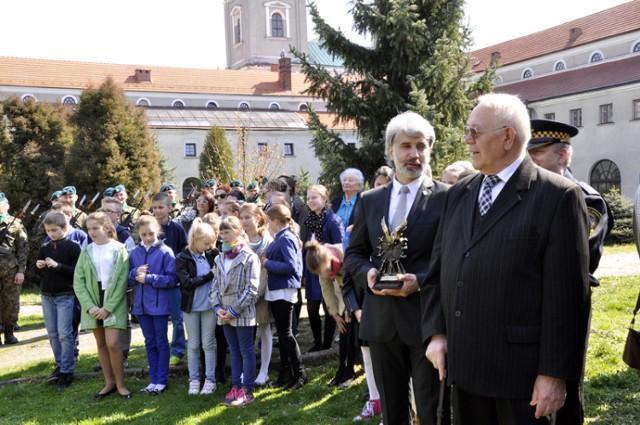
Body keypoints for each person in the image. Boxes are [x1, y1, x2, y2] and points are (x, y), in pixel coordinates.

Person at [422, 93, 591, 424]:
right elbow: (438, 270)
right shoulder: (459, 193)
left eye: (475, 131)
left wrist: (554, 375)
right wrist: (436, 333)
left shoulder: (557, 196)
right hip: (466, 369)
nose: (467, 139)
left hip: (522, 380)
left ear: (507, 136)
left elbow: (568, 300)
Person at [344, 111, 449, 425]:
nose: (414, 154)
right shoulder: (369, 200)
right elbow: (354, 255)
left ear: (429, 150)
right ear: (391, 151)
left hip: (427, 322)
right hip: (381, 323)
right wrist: (369, 274)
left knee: (433, 412)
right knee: (392, 413)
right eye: (406, 146)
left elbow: (453, 258)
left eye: (421, 146)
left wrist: (420, 280)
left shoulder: (448, 197)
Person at [527, 118, 613, 424]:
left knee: (563, 385)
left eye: (537, 152)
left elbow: (579, 262)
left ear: (563, 155)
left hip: (566, 307)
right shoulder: (528, 193)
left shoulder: (585, 198)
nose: (529, 159)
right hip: (527, 308)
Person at [73, 212, 131, 400]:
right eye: (89, 229)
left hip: (112, 300)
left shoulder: (119, 249)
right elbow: (78, 282)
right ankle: (109, 383)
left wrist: (108, 308)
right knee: (101, 343)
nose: (91, 232)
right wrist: (90, 306)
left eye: (95, 228)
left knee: (113, 343)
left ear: (106, 227)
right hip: (93, 300)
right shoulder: (86, 250)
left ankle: (121, 384)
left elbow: (122, 280)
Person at [211, 216, 260, 406]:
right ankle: (236, 387)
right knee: (234, 351)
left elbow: (252, 289)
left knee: (246, 351)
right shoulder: (219, 257)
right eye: (221, 233)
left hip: (242, 312)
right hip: (223, 313)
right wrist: (217, 308)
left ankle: (247, 390)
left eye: (227, 232)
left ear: (239, 231)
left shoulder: (250, 257)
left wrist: (233, 310)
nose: (223, 236)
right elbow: (214, 287)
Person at [128, 214, 177, 395]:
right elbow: (128, 279)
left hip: (159, 306)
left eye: (151, 233)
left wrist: (150, 278)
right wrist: (134, 273)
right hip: (141, 307)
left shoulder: (166, 252)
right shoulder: (134, 253)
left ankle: (162, 380)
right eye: (144, 235)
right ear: (138, 235)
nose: (148, 238)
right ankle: (153, 379)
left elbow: (173, 279)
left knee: (161, 342)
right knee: (149, 342)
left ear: (157, 231)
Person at [36, 211, 81, 390]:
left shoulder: (73, 246)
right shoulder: (44, 247)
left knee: (64, 334)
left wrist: (58, 266)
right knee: (53, 334)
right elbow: (35, 272)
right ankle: (60, 366)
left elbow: (78, 272)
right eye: (47, 230)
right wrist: (38, 266)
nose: (50, 234)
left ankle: (67, 371)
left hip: (66, 295)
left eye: (54, 230)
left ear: (64, 228)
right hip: (47, 295)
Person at [263, 205, 306, 390]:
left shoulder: (286, 237)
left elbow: (291, 267)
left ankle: (300, 374)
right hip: (277, 290)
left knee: (286, 335)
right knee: (282, 335)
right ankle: (285, 373)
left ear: (275, 220)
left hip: (284, 291)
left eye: (268, 221)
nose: (267, 225)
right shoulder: (281, 237)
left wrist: (267, 263)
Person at [175, 218, 219, 395]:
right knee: (193, 344)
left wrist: (213, 246)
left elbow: (220, 255)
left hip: (209, 306)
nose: (209, 246)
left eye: (211, 243)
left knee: (208, 344)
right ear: (195, 239)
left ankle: (210, 379)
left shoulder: (210, 254)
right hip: (191, 306)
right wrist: (209, 275)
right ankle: (194, 379)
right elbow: (186, 283)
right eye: (206, 242)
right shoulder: (182, 258)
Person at [305, 240, 356, 390]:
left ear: (329, 260)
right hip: (342, 295)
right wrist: (334, 314)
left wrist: (350, 306)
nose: (325, 275)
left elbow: (353, 282)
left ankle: (349, 372)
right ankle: (342, 368)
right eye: (320, 273)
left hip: (356, 293)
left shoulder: (344, 254)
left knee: (352, 333)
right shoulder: (321, 263)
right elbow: (326, 289)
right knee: (343, 330)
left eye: (325, 271)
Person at [303, 184, 344, 352]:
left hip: (331, 268)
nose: (310, 201)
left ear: (324, 199)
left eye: (314, 197)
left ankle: (327, 344)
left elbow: (340, 246)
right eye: (308, 198)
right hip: (314, 269)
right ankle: (317, 342)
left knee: (329, 306)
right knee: (312, 307)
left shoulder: (333, 220)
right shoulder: (309, 221)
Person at [152, 192, 188, 367]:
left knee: (177, 318)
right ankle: (160, 349)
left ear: (169, 207)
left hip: (173, 280)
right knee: (157, 318)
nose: (158, 211)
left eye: (161, 207)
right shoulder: (149, 228)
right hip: (155, 281)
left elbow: (184, 250)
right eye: (155, 208)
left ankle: (178, 350)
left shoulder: (177, 228)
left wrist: (173, 262)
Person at [239, 203, 273, 386]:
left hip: (261, 290)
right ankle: (247, 370)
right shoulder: (238, 238)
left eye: (247, 217)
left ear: (258, 218)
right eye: (241, 218)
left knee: (264, 328)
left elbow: (265, 268)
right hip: (241, 293)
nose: (244, 221)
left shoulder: (267, 240)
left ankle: (264, 370)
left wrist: (257, 292)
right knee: (246, 332)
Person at [0, 192, 28, 345]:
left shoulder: (16, 223)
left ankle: (9, 333)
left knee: (11, 301)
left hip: (11, 269)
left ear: (7, 205)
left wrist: (21, 271)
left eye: (0, 203)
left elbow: (23, 249)